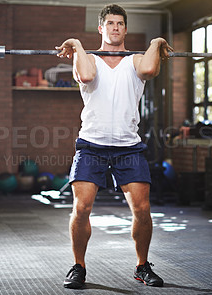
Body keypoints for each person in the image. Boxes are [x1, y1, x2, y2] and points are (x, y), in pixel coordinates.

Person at [56, 4, 172, 289]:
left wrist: (156, 42)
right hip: (91, 145)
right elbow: (85, 77)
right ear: (101, 28)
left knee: (142, 209)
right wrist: (78, 45)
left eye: (120, 23)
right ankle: (78, 267)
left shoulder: (135, 60)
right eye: (110, 23)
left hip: (128, 147)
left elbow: (150, 68)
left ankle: (142, 266)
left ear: (126, 29)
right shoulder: (88, 60)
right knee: (81, 208)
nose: (115, 27)